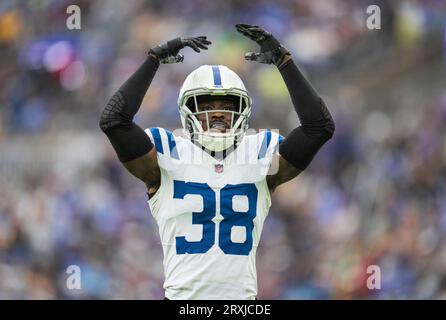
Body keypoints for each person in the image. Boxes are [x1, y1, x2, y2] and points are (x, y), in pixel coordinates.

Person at [99, 24, 334, 300]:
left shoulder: (259, 153)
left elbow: (319, 127)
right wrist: (153, 60)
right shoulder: (167, 152)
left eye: (228, 106)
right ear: (187, 111)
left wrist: (285, 62)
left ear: (243, 110)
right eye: (207, 106)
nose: (219, 114)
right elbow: (114, 120)